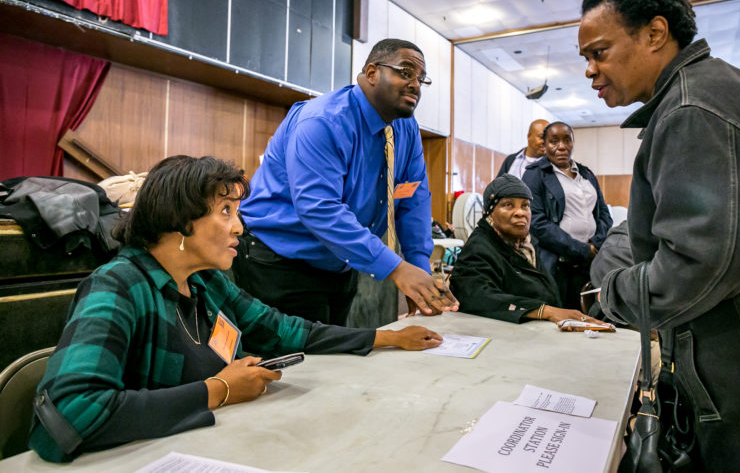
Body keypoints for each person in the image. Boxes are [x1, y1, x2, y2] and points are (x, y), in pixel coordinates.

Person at [28, 156, 443, 463]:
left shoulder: (205, 283)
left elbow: (285, 330)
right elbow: (71, 411)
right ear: (179, 220)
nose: (239, 228)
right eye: (225, 212)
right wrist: (219, 390)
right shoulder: (118, 286)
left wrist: (385, 337)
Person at [579, 0, 740, 469]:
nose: (590, 70)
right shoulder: (708, 94)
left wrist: (613, 293)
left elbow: (700, 263)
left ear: (655, 33)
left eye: (599, 52)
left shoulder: (692, 109)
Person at [233, 38, 458, 324]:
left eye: (421, 78)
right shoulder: (323, 121)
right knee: (295, 365)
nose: (415, 84)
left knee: (333, 364)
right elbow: (319, 208)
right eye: (405, 72)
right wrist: (398, 270)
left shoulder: (406, 128)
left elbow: (413, 200)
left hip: (339, 262)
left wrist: (419, 270)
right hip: (279, 262)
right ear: (373, 73)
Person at [450, 174, 603, 327]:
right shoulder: (479, 248)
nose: (520, 212)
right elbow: (475, 296)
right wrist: (545, 311)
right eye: (508, 205)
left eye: (525, 205)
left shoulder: (526, 246)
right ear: (488, 212)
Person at [522, 122, 613, 310]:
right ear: (544, 146)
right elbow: (537, 223)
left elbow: (603, 214)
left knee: (591, 315)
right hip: (559, 266)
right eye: (554, 141)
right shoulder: (535, 175)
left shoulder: (586, 173)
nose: (561, 146)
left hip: (591, 262)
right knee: (564, 317)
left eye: (566, 140)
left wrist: (596, 244)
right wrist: (581, 249)